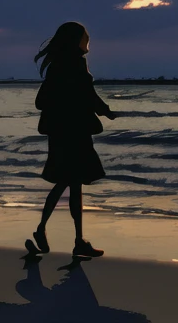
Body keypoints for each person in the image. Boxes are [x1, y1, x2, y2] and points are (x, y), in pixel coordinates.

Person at [32, 21, 116, 257]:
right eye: (85, 36)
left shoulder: (57, 65)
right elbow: (88, 94)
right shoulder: (75, 63)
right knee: (70, 182)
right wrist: (106, 111)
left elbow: (44, 100)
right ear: (76, 40)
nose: (88, 39)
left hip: (61, 132)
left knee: (70, 183)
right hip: (74, 132)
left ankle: (76, 239)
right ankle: (49, 231)